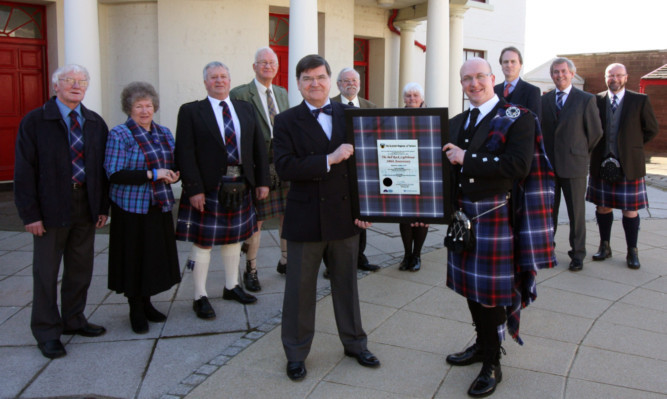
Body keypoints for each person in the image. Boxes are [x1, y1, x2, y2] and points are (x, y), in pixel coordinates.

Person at [443, 57, 555, 397]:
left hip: (495, 216)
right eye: (466, 79)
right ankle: (481, 344)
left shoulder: (517, 117)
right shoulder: (457, 122)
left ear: (493, 78)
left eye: (479, 77)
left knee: (490, 295)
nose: (473, 84)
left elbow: (518, 165)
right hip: (462, 216)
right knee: (470, 288)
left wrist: (468, 158)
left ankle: (493, 362)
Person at [273, 54, 380, 381]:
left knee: (346, 286)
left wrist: (366, 209)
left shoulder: (350, 114)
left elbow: (366, 165)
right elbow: (284, 167)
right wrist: (328, 159)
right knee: (299, 293)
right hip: (305, 219)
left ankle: (354, 343)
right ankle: (295, 352)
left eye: (320, 77)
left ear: (329, 80)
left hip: (344, 216)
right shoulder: (286, 120)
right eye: (307, 79)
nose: (314, 84)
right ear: (299, 84)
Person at [14, 64, 109, 359]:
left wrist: (102, 206)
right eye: (68, 80)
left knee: (80, 268)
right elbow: (24, 170)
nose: (75, 85)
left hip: (86, 205)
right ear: (56, 86)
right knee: (46, 272)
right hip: (50, 207)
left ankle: (74, 320)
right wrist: (30, 214)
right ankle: (46, 331)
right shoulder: (35, 121)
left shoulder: (94, 122)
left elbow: (101, 170)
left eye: (81, 81)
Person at [175, 61, 270, 320]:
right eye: (213, 77)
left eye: (223, 76)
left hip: (242, 183)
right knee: (203, 243)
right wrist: (194, 188)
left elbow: (258, 148)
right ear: (205, 82)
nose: (219, 81)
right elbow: (185, 152)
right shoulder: (191, 111)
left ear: (230, 80)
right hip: (208, 187)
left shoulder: (245, 108)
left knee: (235, 238)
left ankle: (231, 286)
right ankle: (199, 296)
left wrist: (262, 181)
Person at [104, 82, 182, 334]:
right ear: (129, 108)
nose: (145, 110)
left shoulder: (163, 132)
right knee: (133, 259)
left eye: (148, 105)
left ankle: (147, 303)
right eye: (139, 106)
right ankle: (135, 308)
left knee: (152, 258)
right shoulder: (119, 134)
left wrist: (174, 175)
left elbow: (172, 164)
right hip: (130, 208)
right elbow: (114, 172)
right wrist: (152, 174)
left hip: (158, 205)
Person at [586, 63, 659, 269]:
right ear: (605, 77)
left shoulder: (639, 100)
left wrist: (632, 146)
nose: (614, 79)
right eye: (611, 75)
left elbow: (651, 129)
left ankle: (632, 251)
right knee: (602, 207)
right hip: (601, 163)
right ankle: (605, 246)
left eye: (619, 75)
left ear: (626, 78)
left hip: (629, 165)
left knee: (630, 210)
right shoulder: (596, 100)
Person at [230, 47, 290, 289]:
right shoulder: (240, 94)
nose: (267, 66)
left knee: (289, 214)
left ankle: (285, 261)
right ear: (254, 66)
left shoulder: (283, 93)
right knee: (258, 220)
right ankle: (251, 268)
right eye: (262, 62)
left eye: (272, 62)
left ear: (277, 67)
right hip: (258, 164)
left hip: (284, 162)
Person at [541, 57, 603, 272]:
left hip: (574, 165)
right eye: (556, 72)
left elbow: (595, 133)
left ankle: (577, 254)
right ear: (552, 75)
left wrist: (579, 153)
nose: (560, 75)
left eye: (564, 71)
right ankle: (547, 249)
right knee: (549, 212)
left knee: (576, 213)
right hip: (549, 167)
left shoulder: (585, 99)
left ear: (572, 74)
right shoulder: (545, 100)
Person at [329, 67, 380, 274]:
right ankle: (332, 263)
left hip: (363, 169)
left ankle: (360, 257)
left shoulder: (370, 106)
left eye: (354, 80)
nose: (350, 84)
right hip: (337, 167)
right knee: (337, 216)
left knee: (362, 213)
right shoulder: (329, 105)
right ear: (339, 84)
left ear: (359, 84)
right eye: (345, 81)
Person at [398, 82, 428, 272]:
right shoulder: (396, 117)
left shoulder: (431, 117)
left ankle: (417, 255)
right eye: (408, 95)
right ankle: (406, 254)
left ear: (422, 98)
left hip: (424, 171)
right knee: (405, 215)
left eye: (415, 95)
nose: (412, 98)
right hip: (402, 171)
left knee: (422, 216)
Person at [493, 46, 542, 119]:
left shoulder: (532, 91)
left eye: (513, 62)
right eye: (506, 62)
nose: (509, 65)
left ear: (520, 65)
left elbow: (535, 123)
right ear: (501, 65)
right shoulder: (494, 90)